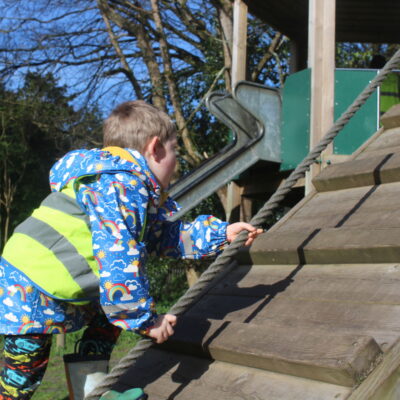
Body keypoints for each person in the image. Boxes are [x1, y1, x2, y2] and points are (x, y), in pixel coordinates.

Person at [0, 100, 262, 400]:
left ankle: (91, 388)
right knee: (24, 372)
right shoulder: (122, 186)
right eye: (174, 150)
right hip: (29, 280)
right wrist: (147, 321)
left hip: (46, 273)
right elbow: (118, 257)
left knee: (110, 314)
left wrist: (221, 234)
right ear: (155, 148)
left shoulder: (119, 184)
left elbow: (163, 236)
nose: (176, 161)